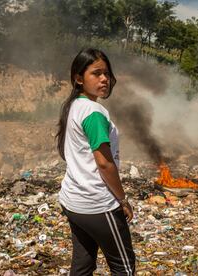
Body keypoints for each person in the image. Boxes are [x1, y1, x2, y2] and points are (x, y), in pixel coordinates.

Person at [56, 48, 135, 275]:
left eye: (107, 74)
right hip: (97, 204)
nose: (104, 79)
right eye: (96, 73)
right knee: (124, 267)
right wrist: (122, 199)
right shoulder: (94, 112)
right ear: (78, 78)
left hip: (72, 201)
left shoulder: (74, 106)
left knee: (83, 265)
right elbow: (104, 164)